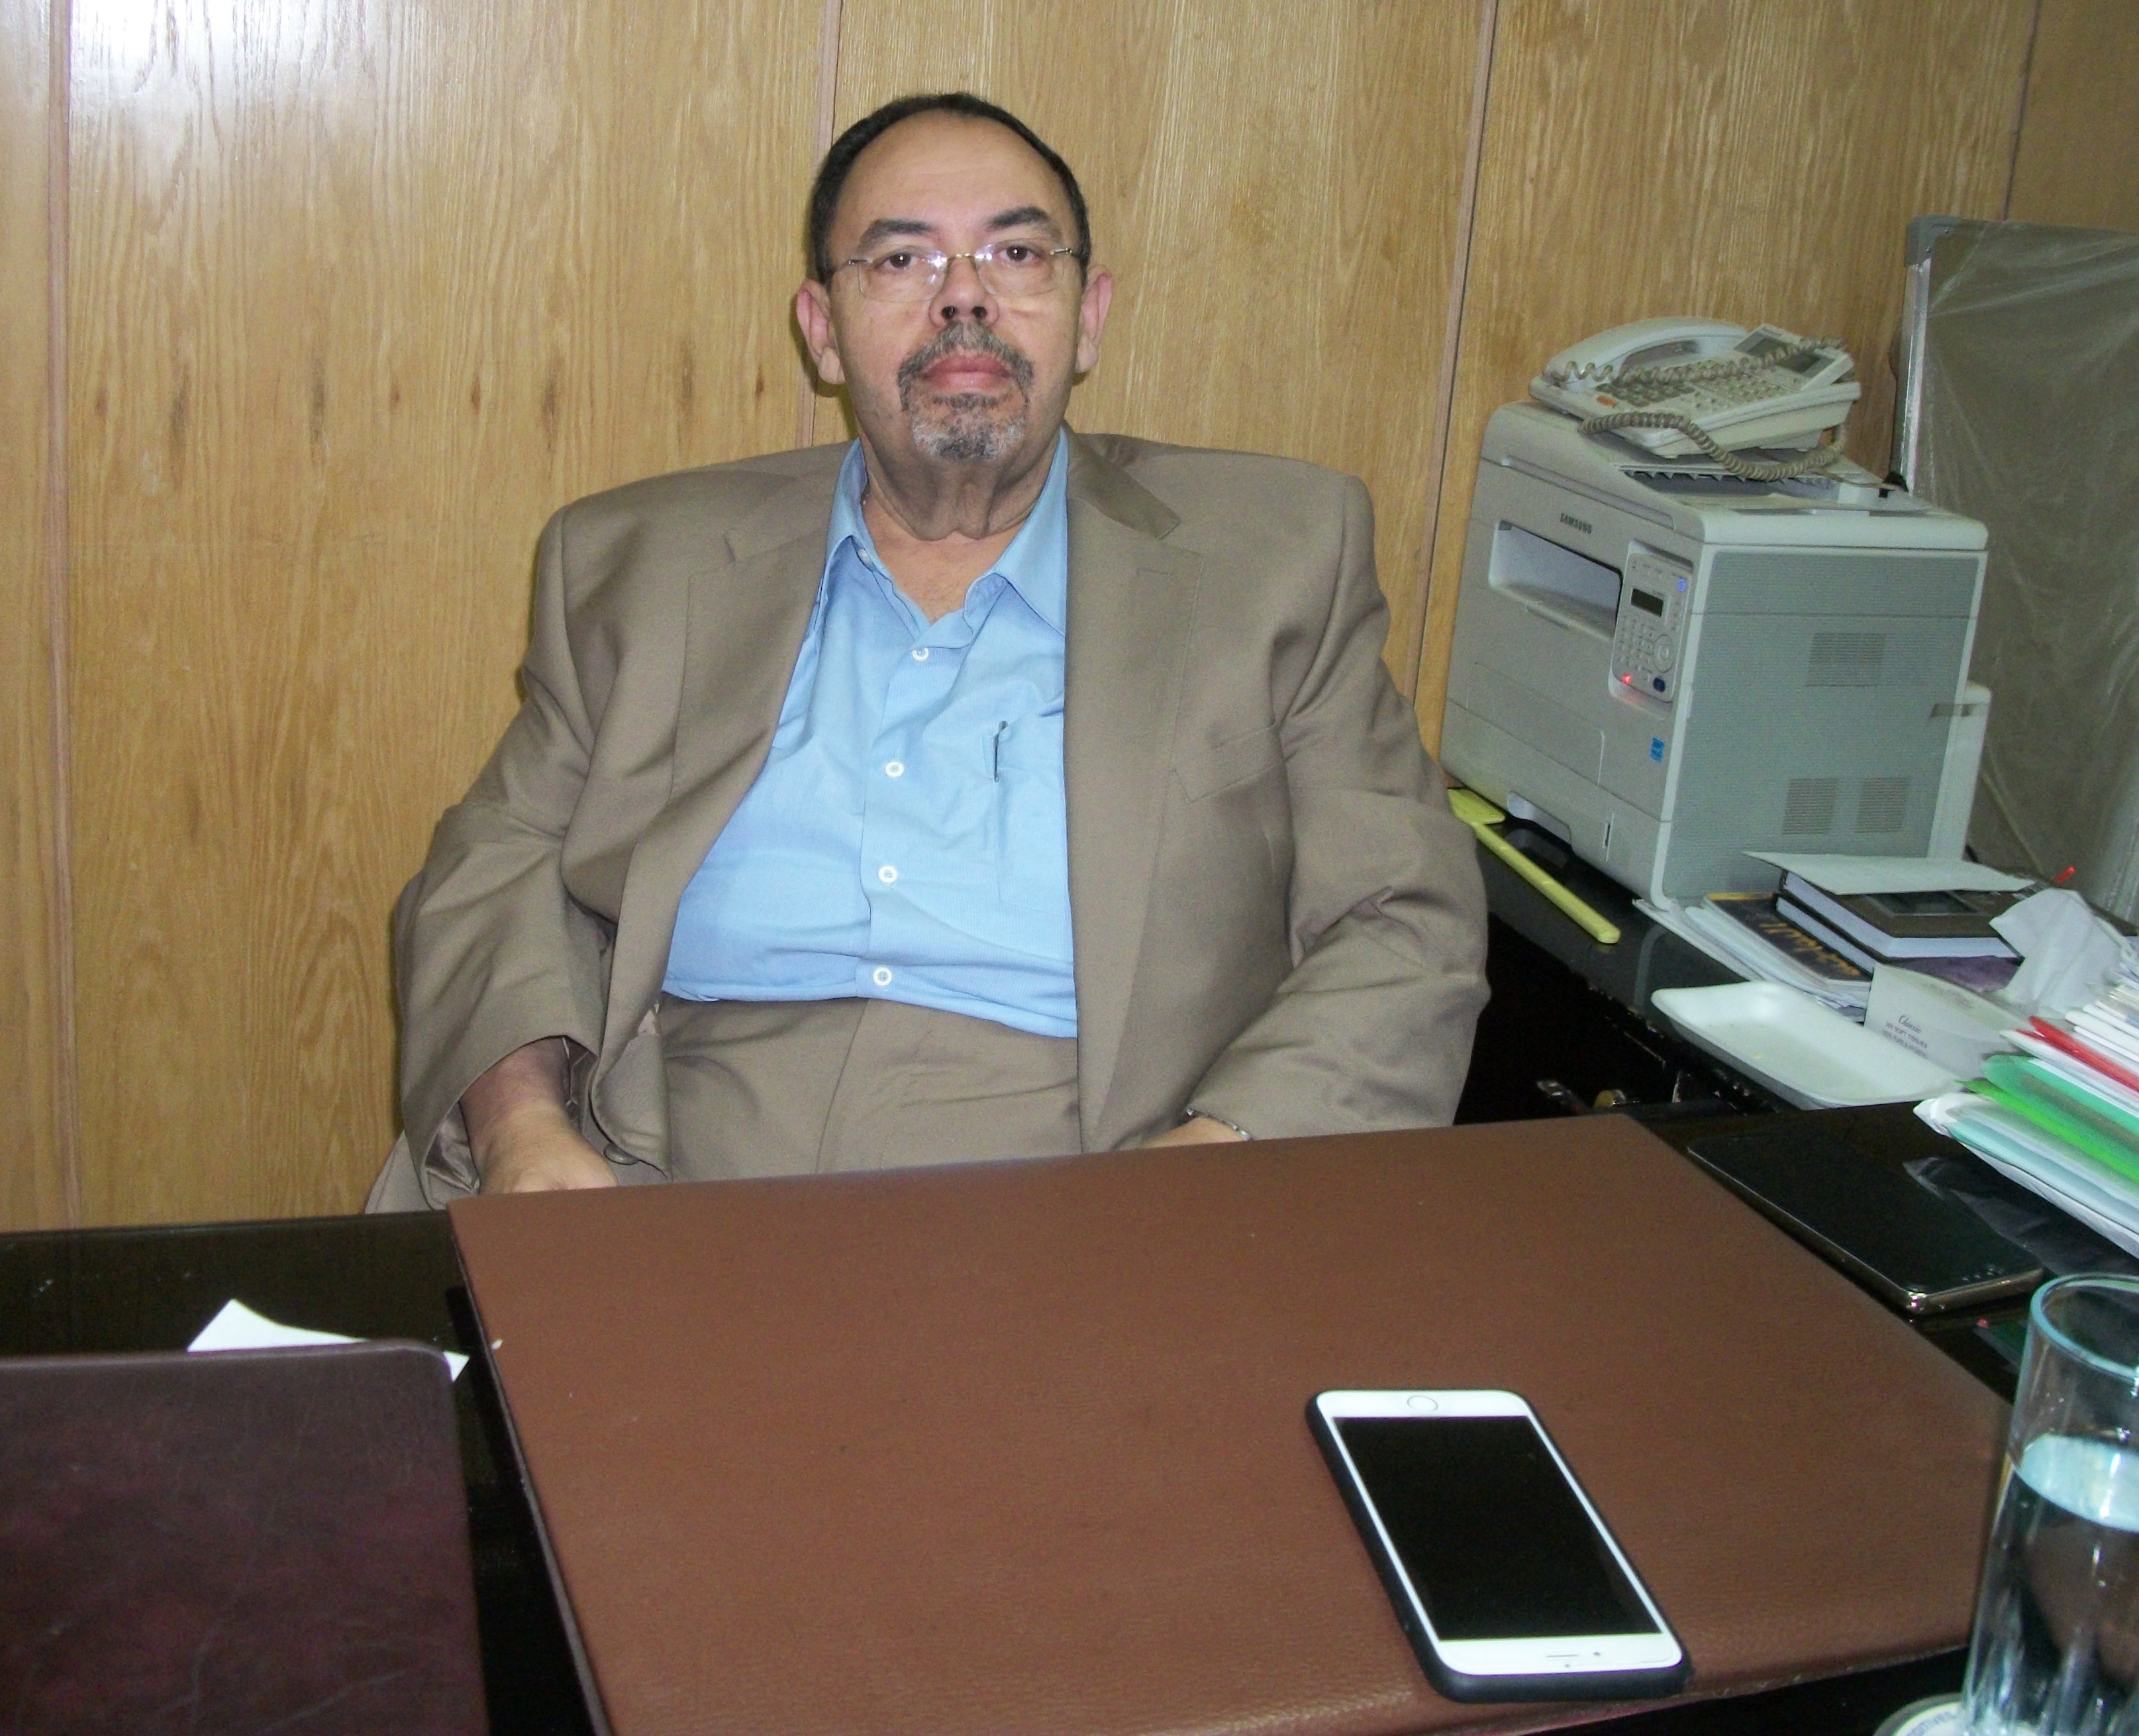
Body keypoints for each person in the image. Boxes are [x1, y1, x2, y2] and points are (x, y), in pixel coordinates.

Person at [369, 93, 1485, 1206]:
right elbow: (498, 862)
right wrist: (522, 1128)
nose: (964, 297)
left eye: (1017, 253)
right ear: (821, 329)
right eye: (901, 260)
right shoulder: (642, 563)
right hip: (662, 1168)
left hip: (1100, 1186)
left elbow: (1403, 918)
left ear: (1089, 316)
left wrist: (1211, 1162)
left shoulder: (1273, 560)